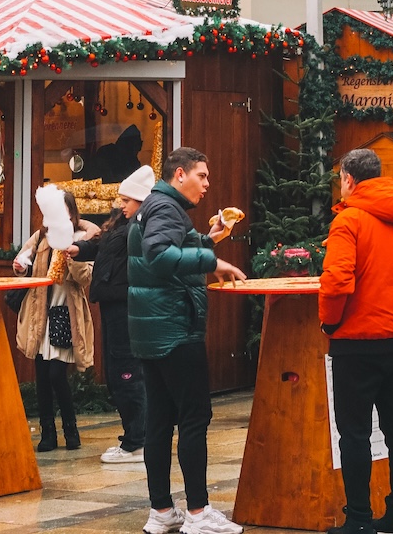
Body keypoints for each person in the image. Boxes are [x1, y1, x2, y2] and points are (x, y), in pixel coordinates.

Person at [127, 147, 246, 534]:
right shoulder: (165, 208)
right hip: (174, 329)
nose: (208, 184)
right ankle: (198, 513)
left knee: (161, 420)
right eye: (202, 176)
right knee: (195, 417)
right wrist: (214, 262)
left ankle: (162, 511)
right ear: (180, 175)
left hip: (152, 330)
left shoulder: (155, 205)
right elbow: (159, 254)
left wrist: (208, 240)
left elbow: (170, 248)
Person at [319, 148, 393, 534]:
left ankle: (359, 520)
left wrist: (329, 325)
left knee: (354, 433)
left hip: (355, 341)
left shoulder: (348, 222)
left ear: (349, 180)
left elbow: (336, 282)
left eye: (341, 180)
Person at [71, 163, 153, 465]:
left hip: (126, 305)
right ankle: (134, 438)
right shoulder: (124, 222)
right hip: (112, 303)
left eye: (127, 199)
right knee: (120, 372)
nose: (121, 203)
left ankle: (137, 442)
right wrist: (80, 249)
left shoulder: (142, 226)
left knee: (127, 372)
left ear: (142, 200)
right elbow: (104, 248)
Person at [14, 186, 95, 453]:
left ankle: (71, 429)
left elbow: (85, 278)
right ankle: (48, 434)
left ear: (72, 214)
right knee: (41, 376)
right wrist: (19, 267)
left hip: (64, 314)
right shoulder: (40, 237)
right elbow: (22, 261)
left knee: (57, 374)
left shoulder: (83, 238)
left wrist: (72, 255)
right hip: (40, 314)